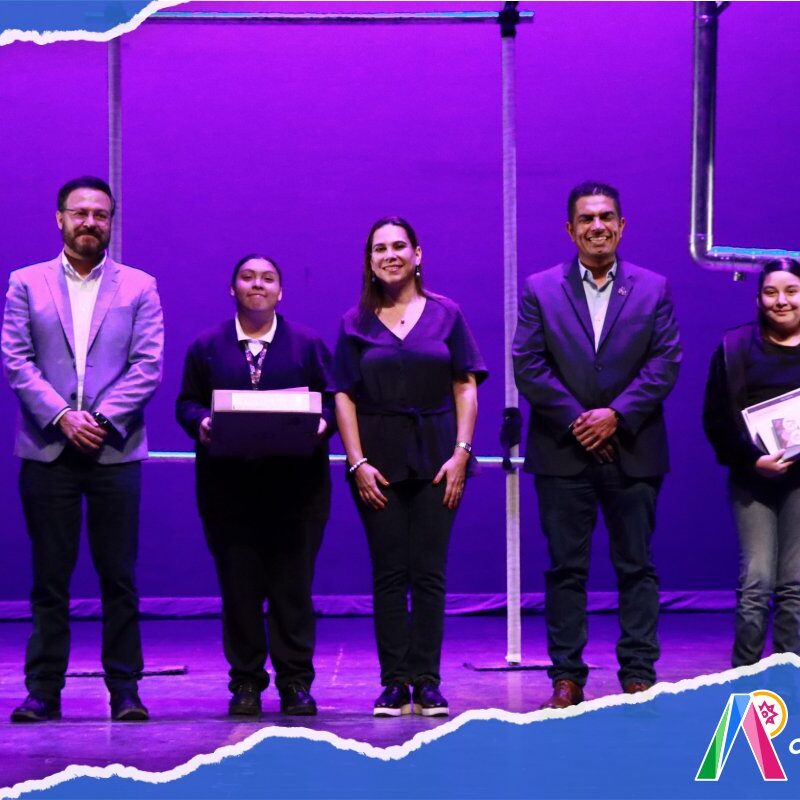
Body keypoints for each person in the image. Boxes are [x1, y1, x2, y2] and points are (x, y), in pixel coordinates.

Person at [512, 181, 681, 709]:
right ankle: (567, 677)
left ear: (622, 226)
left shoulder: (653, 288)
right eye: (586, 219)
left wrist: (616, 416)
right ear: (571, 229)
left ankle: (638, 674)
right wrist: (580, 422)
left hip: (634, 448)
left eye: (606, 217)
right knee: (566, 569)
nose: (597, 226)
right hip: (563, 452)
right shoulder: (540, 288)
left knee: (637, 566)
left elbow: (665, 362)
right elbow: (528, 364)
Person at [1, 176, 164, 722]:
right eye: (80, 213)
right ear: (60, 219)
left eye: (101, 214)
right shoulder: (25, 282)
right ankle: (44, 691)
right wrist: (62, 416)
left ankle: (125, 690)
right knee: (50, 578)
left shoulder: (140, 285)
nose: (90, 222)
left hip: (114, 450)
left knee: (119, 578)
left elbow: (147, 366)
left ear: (111, 221)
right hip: (47, 447)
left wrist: (100, 419)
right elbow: (17, 360)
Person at [334, 216, 487, 717]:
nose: (390, 255)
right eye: (380, 248)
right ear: (369, 260)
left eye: (399, 246)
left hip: (439, 458)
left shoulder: (447, 313)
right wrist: (357, 462)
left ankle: (427, 681)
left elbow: (465, 384)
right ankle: (395, 683)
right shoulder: (355, 322)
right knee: (388, 572)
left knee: (429, 571)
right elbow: (343, 394)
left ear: (417, 255)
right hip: (376, 462)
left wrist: (462, 453)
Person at [176, 254, 335, 717]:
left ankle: (295, 683)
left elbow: (333, 399)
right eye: (248, 278)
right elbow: (186, 403)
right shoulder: (206, 346)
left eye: (268, 279)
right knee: (239, 589)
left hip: (297, 491)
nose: (258, 285)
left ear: (281, 291)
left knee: (292, 588)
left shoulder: (308, 344)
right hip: (228, 491)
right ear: (233, 289)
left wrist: (323, 423)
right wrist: (201, 422)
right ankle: (245, 682)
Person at [703, 258, 800, 667]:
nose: (782, 301)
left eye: (792, 291)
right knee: (757, 580)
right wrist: (754, 461)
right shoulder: (735, 347)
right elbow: (716, 421)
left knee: (795, 583)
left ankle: (788, 678)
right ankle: (744, 677)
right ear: (758, 299)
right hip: (752, 478)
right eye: (771, 292)